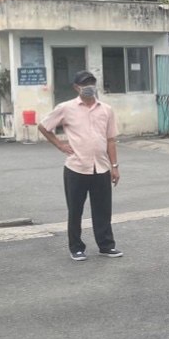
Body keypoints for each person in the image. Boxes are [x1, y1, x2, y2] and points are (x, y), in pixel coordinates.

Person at [38, 69, 122, 261]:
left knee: (103, 210)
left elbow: (111, 140)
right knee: (75, 210)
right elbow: (44, 126)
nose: (89, 87)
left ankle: (106, 246)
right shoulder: (66, 108)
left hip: (101, 167)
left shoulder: (106, 110)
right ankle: (76, 247)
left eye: (91, 83)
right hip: (76, 168)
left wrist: (114, 166)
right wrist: (59, 144)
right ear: (77, 87)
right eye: (85, 84)